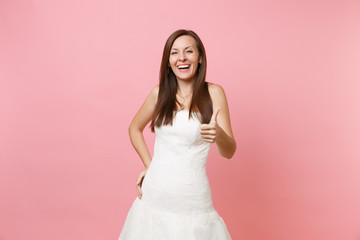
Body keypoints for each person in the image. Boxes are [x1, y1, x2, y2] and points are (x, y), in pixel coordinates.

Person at [118, 29, 236, 240]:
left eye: (189, 51)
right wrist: (148, 165)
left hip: (193, 198)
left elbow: (229, 152)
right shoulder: (159, 93)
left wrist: (218, 134)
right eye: (174, 53)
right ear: (168, 61)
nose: (181, 58)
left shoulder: (214, 93)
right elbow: (134, 128)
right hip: (155, 194)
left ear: (200, 58)